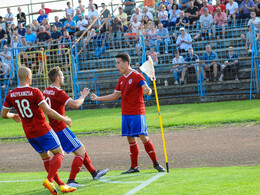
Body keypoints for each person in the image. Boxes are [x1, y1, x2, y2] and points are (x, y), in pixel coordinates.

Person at [1, 66, 77, 195]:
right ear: (29, 77)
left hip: (29, 133)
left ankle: (61, 185)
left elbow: (3, 114)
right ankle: (49, 180)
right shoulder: (34, 91)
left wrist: (13, 115)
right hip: (43, 129)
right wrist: (64, 118)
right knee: (59, 153)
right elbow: (48, 111)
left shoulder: (11, 94)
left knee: (46, 158)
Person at [91, 53, 165, 174]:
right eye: (116, 63)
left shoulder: (137, 75)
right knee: (130, 140)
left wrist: (148, 90)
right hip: (125, 113)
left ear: (126, 63)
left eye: (118, 63)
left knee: (144, 138)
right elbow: (115, 95)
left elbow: (146, 88)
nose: (116, 66)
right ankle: (134, 167)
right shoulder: (121, 79)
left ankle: (156, 164)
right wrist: (98, 98)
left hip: (137, 113)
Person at [43, 66, 108, 187]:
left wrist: (61, 115)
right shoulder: (58, 92)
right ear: (57, 78)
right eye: (62, 76)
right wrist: (83, 96)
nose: (63, 78)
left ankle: (94, 173)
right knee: (80, 150)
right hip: (60, 128)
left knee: (80, 148)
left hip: (53, 128)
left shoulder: (46, 91)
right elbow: (75, 105)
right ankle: (71, 180)